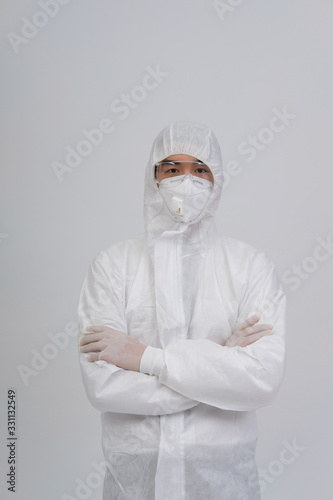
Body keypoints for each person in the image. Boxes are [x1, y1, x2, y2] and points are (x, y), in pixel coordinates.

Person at [78, 121, 286, 500]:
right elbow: (104, 386)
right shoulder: (112, 265)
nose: (186, 181)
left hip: (224, 480)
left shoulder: (250, 266)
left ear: (217, 179)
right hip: (136, 480)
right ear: (153, 177)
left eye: (200, 170)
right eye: (173, 169)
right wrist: (219, 363)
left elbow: (262, 379)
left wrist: (145, 358)